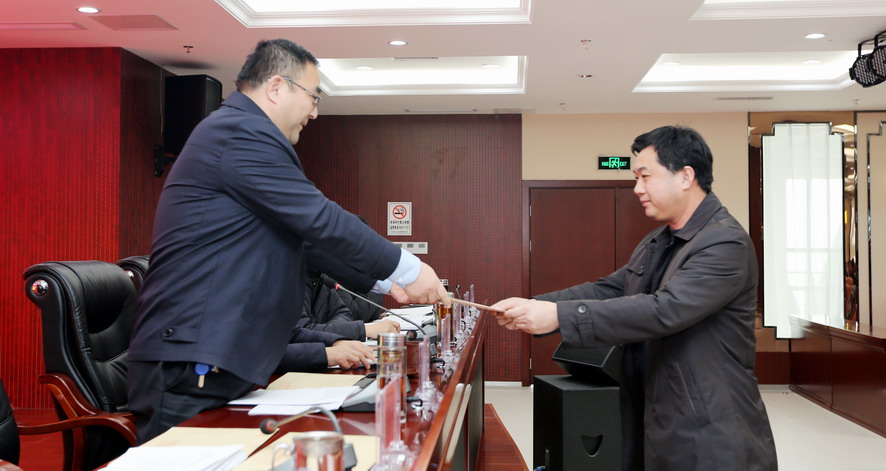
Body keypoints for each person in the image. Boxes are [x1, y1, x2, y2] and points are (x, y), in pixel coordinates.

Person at [127, 38, 449, 443]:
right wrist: (409, 269)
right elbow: (319, 217)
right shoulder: (239, 132)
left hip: (216, 360)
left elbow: (305, 239)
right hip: (191, 361)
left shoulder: (241, 133)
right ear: (277, 87)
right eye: (313, 97)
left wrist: (385, 283)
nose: (315, 112)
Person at [492, 126, 777, 471]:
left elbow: (664, 310)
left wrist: (560, 316)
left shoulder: (724, 243)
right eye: (635, 178)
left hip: (708, 421)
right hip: (656, 408)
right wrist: (537, 305)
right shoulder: (658, 239)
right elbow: (612, 289)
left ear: (685, 176)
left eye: (646, 176)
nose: (637, 188)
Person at [297, 268, 399, 340]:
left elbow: (342, 312)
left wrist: (334, 334)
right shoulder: (294, 279)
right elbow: (300, 333)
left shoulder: (320, 277)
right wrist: (363, 330)